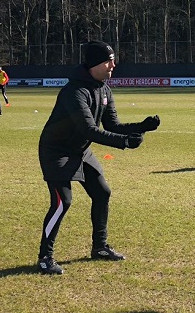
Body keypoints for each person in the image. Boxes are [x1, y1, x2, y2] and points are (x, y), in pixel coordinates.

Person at [35, 40, 161, 275]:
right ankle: (45, 258)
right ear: (95, 64)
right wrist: (124, 142)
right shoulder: (74, 91)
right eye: (108, 61)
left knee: (102, 192)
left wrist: (141, 127)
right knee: (63, 202)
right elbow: (89, 130)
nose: (114, 65)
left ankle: (100, 247)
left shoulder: (104, 88)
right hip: (57, 151)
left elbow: (112, 124)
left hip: (81, 150)